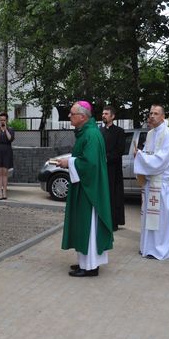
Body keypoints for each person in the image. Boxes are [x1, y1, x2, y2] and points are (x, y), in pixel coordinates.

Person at [58, 101, 114, 277]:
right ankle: (85, 262)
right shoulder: (87, 132)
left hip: (89, 192)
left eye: (72, 113)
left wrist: (70, 162)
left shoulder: (90, 134)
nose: (69, 116)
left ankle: (90, 267)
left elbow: (90, 164)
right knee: (84, 225)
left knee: (88, 225)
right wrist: (72, 160)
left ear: (82, 117)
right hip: (84, 187)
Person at [134, 105, 169, 260]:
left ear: (163, 117)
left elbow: (161, 159)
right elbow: (150, 154)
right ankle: (148, 247)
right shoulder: (149, 134)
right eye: (150, 113)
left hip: (161, 183)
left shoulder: (168, 135)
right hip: (150, 182)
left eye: (156, 113)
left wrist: (140, 156)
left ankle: (161, 249)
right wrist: (142, 156)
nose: (152, 116)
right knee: (149, 217)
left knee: (161, 219)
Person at [100, 106, 126, 231]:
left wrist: (106, 158)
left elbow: (120, 150)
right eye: (103, 113)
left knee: (113, 195)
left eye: (106, 113)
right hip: (101, 170)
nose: (103, 115)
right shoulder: (99, 131)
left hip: (113, 170)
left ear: (112, 116)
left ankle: (113, 222)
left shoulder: (119, 131)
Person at [0, 112, 15, 200]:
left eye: (4, 120)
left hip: (7, 151)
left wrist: (5, 129)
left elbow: (10, 138)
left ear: (7, 120)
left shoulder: (10, 129)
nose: (2, 121)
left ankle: (5, 192)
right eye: (1, 120)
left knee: (5, 172)